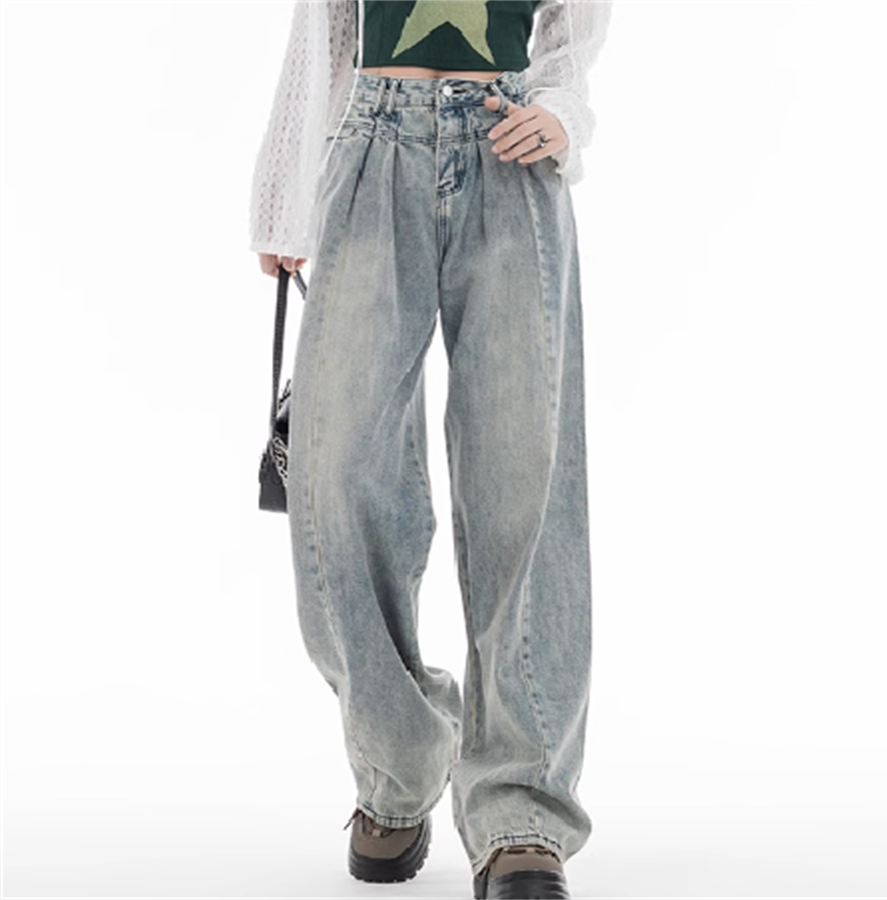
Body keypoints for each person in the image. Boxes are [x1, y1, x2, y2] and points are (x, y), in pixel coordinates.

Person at [249, 2, 613, 898]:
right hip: (371, 146)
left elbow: (575, 21)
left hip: (510, 147)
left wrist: (561, 109)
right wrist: (285, 197)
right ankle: (400, 757)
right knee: (335, 477)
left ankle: (522, 810)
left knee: (525, 480)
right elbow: (325, 28)